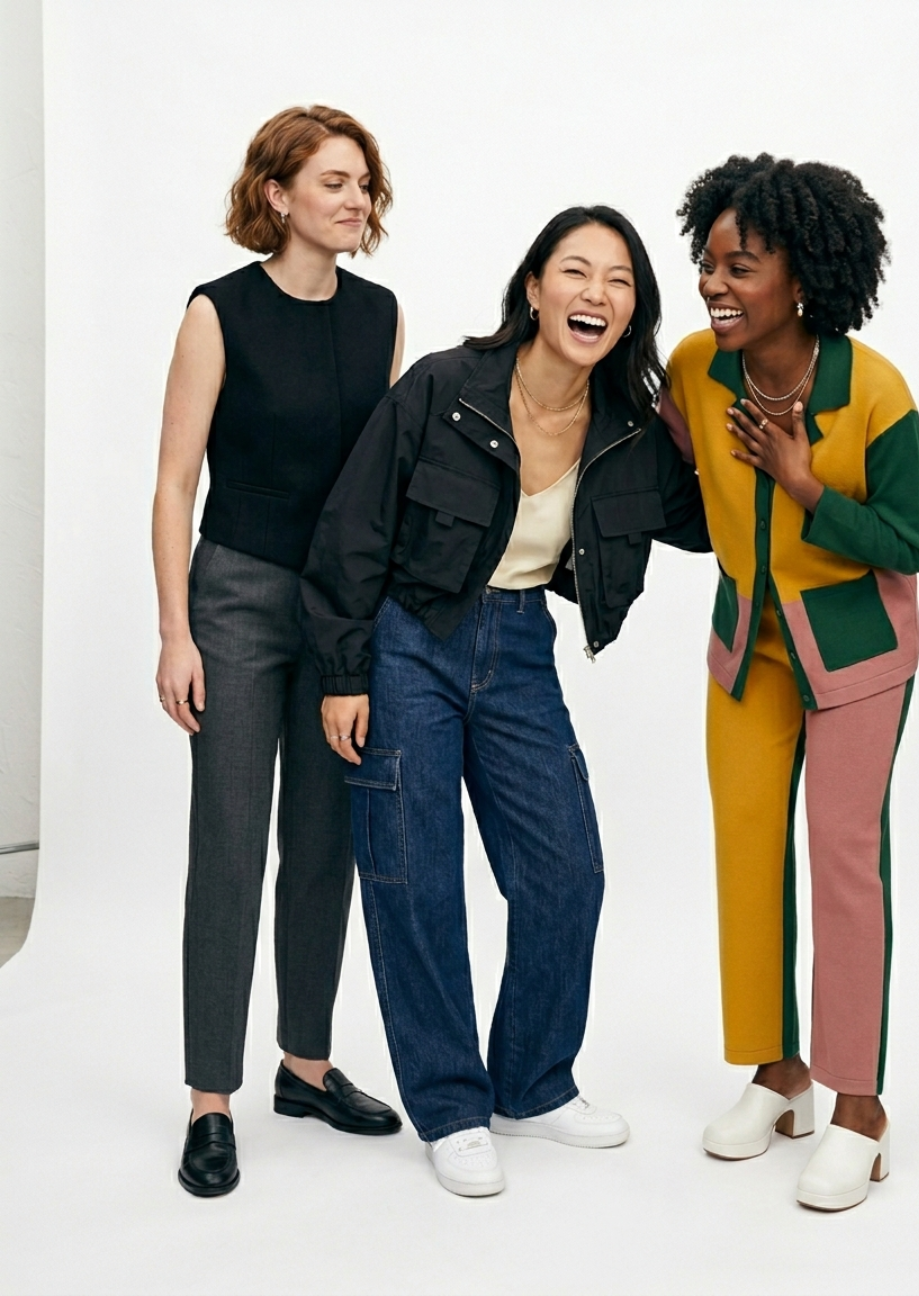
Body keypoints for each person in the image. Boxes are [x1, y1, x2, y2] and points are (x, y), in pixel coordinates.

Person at [301, 206, 710, 1196]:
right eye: (576, 272)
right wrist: (347, 671)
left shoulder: (624, 428)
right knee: (416, 873)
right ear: (534, 289)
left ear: (631, 312)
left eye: (618, 282)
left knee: (568, 870)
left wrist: (729, 429)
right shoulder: (445, 386)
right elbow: (352, 529)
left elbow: (700, 520)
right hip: (411, 639)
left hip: (521, 645)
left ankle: (531, 1084)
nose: (596, 295)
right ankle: (449, 1103)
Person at [661, 155, 919, 1211]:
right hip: (748, 653)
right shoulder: (696, 367)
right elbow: (668, 476)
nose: (716, 284)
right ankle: (779, 1078)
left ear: (803, 274)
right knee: (746, 850)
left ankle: (858, 1108)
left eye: (743, 265)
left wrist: (805, 484)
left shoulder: (874, 389)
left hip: (858, 653)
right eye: (707, 263)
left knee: (842, 863)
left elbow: (911, 539)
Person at [152, 105, 404, 1199]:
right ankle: (212, 1100)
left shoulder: (382, 314)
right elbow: (173, 485)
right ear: (278, 196)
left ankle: (305, 1064)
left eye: (366, 187)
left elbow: (379, 483)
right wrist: (175, 631)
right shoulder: (220, 313)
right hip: (240, 600)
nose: (358, 202)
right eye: (338, 182)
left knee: (324, 843)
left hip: (340, 610)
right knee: (230, 843)